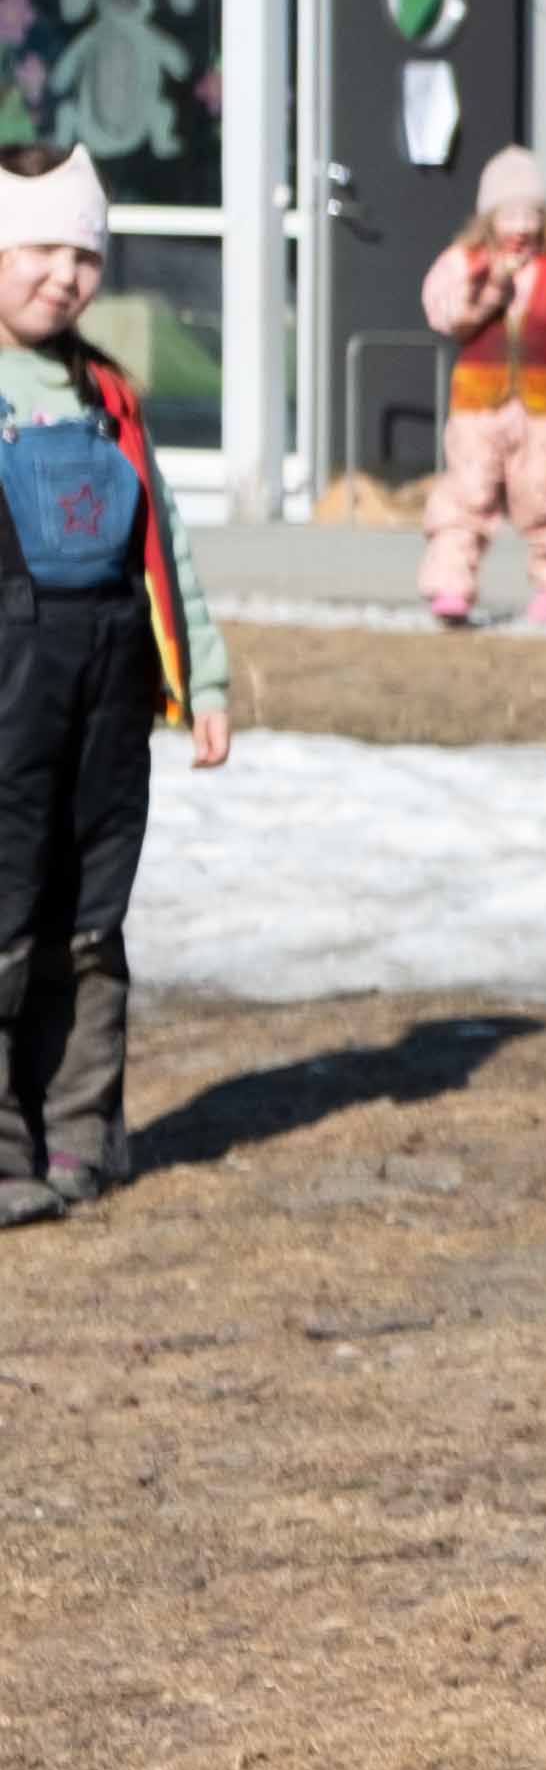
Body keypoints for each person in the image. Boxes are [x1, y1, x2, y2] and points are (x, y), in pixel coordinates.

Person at [0, 142, 228, 1227]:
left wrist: (206, 682)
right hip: (6, 686)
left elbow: (164, 545)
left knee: (89, 915)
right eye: (38, 246)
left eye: (84, 253)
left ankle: (80, 1137)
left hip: (106, 688)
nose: (64, 273)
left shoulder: (109, 395)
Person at [416, 148, 546, 630]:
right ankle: (450, 585)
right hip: (478, 407)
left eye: (531, 214)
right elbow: (443, 313)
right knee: (465, 496)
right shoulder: (465, 263)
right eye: (510, 214)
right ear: (489, 217)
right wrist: (488, 288)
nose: (521, 226)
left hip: (543, 411)